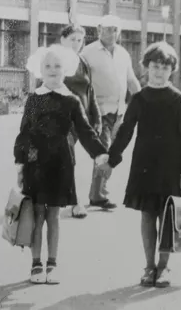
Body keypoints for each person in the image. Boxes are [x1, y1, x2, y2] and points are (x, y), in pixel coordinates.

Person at [102, 42, 181, 288]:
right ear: (146, 67)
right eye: (155, 66)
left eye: (165, 68)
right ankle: (149, 266)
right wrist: (112, 159)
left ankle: (164, 267)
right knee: (147, 215)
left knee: (167, 217)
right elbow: (125, 131)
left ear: (172, 70)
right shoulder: (139, 98)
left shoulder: (178, 99)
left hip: (171, 167)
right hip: (144, 165)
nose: (159, 72)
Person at [15, 44, 109, 285]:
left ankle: (52, 264)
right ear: (40, 70)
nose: (52, 70)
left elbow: (85, 131)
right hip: (36, 165)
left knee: (54, 216)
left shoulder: (72, 100)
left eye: (57, 66)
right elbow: (24, 133)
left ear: (65, 69)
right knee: (37, 215)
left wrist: (99, 153)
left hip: (61, 164)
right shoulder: (34, 99)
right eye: (47, 66)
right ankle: (36, 264)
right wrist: (20, 163)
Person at [81, 15, 141, 210]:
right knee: (104, 151)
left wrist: (143, 101)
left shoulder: (123, 53)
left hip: (119, 112)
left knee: (113, 152)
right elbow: (81, 83)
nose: (111, 33)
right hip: (99, 112)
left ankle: (97, 193)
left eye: (115, 29)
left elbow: (131, 80)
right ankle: (99, 195)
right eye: (107, 29)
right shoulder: (88, 52)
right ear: (99, 30)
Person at [59, 24, 102, 219]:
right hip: (63, 120)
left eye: (79, 40)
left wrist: (97, 117)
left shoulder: (82, 61)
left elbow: (90, 91)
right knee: (68, 160)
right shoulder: (56, 61)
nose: (76, 43)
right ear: (63, 40)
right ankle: (75, 203)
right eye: (72, 39)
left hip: (82, 121)